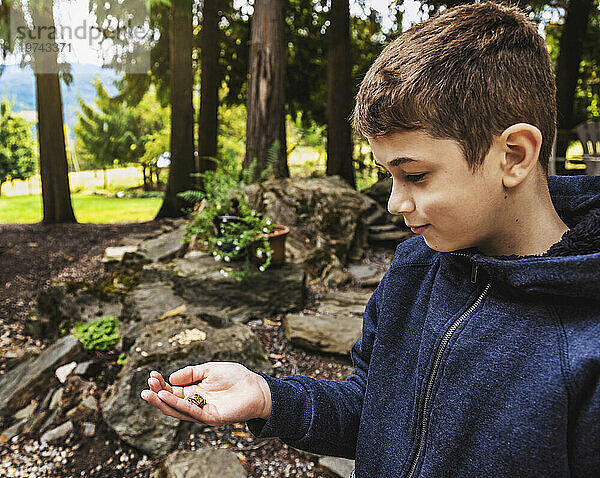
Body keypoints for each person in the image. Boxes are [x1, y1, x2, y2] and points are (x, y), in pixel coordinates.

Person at [140, 2, 600, 476]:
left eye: (416, 175)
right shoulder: (414, 269)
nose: (394, 203)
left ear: (514, 155)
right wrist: (267, 397)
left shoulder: (585, 344)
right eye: (389, 177)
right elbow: (374, 407)